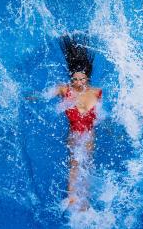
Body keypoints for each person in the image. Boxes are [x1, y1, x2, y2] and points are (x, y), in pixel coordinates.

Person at [56, 34, 102, 209]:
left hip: (89, 135)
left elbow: (101, 116)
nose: (78, 82)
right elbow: (42, 95)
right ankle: (71, 198)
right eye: (75, 79)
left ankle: (85, 200)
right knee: (74, 165)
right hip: (74, 134)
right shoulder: (65, 90)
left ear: (87, 78)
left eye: (82, 79)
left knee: (86, 165)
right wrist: (28, 96)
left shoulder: (97, 92)